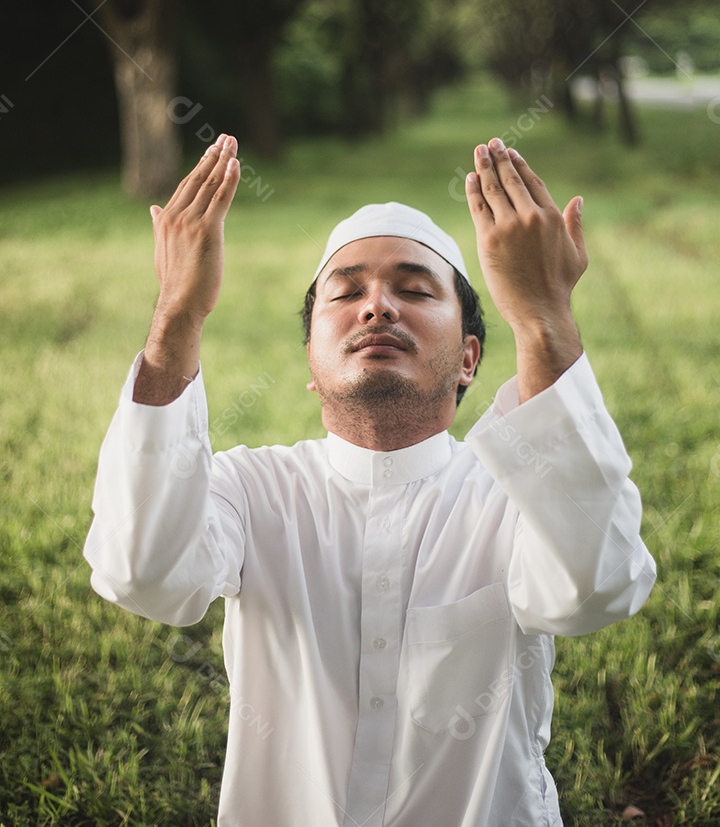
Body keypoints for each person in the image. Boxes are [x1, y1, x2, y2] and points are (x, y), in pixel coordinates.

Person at [84, 133, 656, 827]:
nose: (377, 306)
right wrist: (176, 313)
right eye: (346, 291)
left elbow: (598, 587)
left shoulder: (514, 496)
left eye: (413, 289)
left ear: (469, 357)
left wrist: (543, 318)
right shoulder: (251, 490)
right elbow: (142, 574)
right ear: (312, 361)